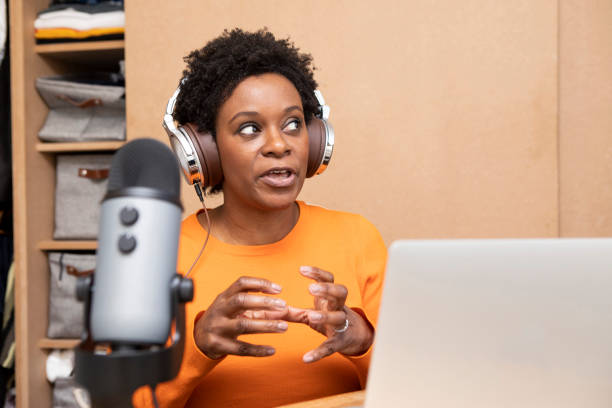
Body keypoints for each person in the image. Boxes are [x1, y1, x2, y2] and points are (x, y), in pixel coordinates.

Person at [133, 28, 387, 408]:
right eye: (250, 128)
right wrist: (196, 347)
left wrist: (362, 343)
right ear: (205, 151)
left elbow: (416, 386)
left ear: (316, 140)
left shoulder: (358, 238)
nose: (279, 145)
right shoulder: (163, 254)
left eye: (293, 124)